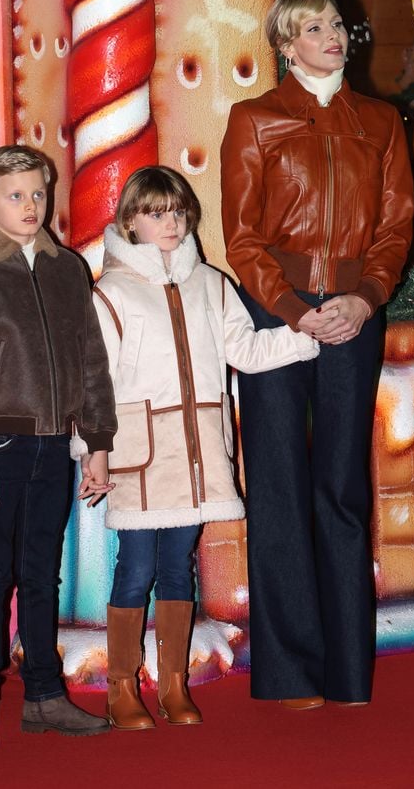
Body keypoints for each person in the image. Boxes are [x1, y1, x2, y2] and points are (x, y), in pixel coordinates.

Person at [220, 0, 414, 708]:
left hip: (356, 313)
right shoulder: (255, 119)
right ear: (285, 43)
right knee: (277, 486)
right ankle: (289, 673)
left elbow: (395, 227)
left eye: (336, 24)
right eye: (315, 27)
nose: (333, 35)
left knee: (341, 489)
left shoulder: (381, 122)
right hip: (276, 316)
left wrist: (364, 298)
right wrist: (290, 313)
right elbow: (241, 236)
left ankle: (347, 673)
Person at [80, 165, 318, 730]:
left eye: (178, 211)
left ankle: (175, 686)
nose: (170, 222)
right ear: (131, 220)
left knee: (178, 566)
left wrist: (308, 336)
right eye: (155, 212)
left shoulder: (211, 282)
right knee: (135, 568)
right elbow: (93, 381)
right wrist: (90, 451)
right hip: (138, 453)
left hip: (198, 455)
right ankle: (121, 685)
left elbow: (246, 348)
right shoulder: (109, 293)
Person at [0, 145, 117, 748]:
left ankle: (44, 694)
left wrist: (97, 444)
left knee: (42, 575)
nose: (30, 205)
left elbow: (93, 364)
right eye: (15, 195)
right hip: (0, 446)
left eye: (38, 193)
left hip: (53, 446)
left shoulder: (68, 270)